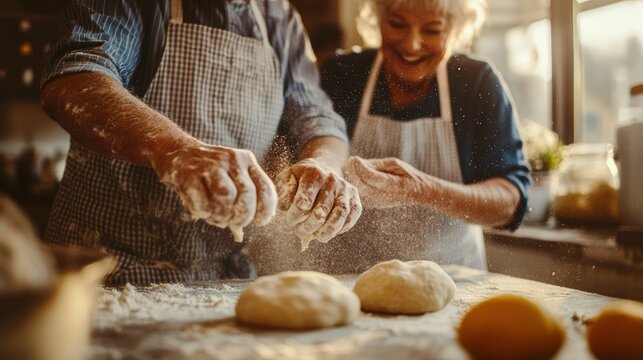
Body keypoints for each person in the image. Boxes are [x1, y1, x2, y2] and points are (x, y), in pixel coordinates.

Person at [39, 0, 361, 285]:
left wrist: (324, 163)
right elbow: (74, 79)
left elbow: (318, 119)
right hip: (105, 270)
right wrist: (175, 150)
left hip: (219, 280)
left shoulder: (280, 17)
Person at [295, 0, 531, 273]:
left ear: (456, 30)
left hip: (452, 284)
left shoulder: (475, 84)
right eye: (397, 24)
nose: (411, 45)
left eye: (432, 30)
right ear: (378, 19)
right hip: (343, 283)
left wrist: (421, 189)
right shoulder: (343, 74)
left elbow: (511, 204)